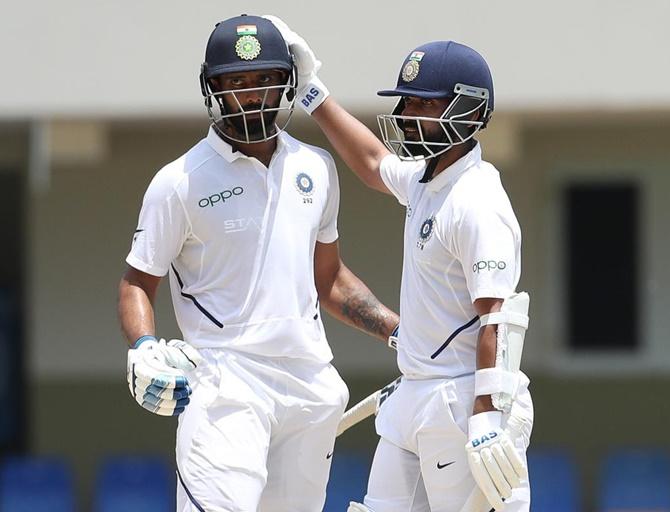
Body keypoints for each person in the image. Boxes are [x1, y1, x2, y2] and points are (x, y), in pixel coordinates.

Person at [117, 14, 399, 512]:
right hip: (226, 384)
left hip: (309, 384)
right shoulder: (179, 182)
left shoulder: (316, 166)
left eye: (265, 80)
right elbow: (138, 281)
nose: (251, 95)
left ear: (286, 84)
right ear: (214, 89)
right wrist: (142, 345)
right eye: (237, 83)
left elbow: (327, 277)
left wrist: (399, 331)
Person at [268, 17, 534, 512]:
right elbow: (372, 163)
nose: (408, 115)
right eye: (406, 102)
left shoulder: (478, 200)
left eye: (424, 104)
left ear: (469, 110)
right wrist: (311, 92)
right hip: (413, 394)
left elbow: (497, 318)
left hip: (461, 403)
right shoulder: (428, 179)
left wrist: (486, 414)